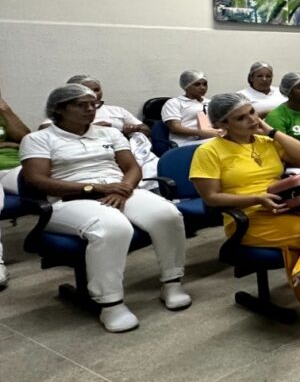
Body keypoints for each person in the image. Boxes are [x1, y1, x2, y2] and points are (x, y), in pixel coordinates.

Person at [19, 84, 189, 331]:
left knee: (168, 214)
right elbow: (38, 180)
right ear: (59, 109)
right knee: (113, 226)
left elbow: (132, 168)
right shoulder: (38, 139)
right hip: (69, 201)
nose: (90, 109)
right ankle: (111, 304)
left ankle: (172, 284)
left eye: (93, 104)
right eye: (81, 104)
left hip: (118, 190)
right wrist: (95, 189)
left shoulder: (108, 134)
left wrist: (124, 189)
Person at [190, 93, 300, 331]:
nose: (252, 120)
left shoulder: (265, 141)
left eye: (252, 113)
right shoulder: (208, 151)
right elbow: (211, 198)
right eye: (241, 118)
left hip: (286, 205)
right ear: (223, 124)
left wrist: (272, 132)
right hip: (249, 216)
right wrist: (256, 198)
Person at [58, 75, 160, 186]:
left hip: (127, 149)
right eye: (88, 90)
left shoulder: (117, 110)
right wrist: (92, 128)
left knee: (154, 167)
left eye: (97, 90)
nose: (94, 94)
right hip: (96, 153)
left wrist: (135, 128)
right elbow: (48, 130)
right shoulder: (67, 114)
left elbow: (146, 130)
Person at [0, 83, 34, 289]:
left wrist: (5, 109)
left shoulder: (3, 113)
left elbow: (27, 139)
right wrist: (7, 143)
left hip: (13, 168)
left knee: (43, 180)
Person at [162, 70, 221, 147]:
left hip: (210, 139)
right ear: (186, 86)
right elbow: (175, 128)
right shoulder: (174, 103)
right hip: (186, 143)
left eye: (205, 84)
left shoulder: (210, 102)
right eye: (197, 84)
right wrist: (202, 133)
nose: (203, 88)